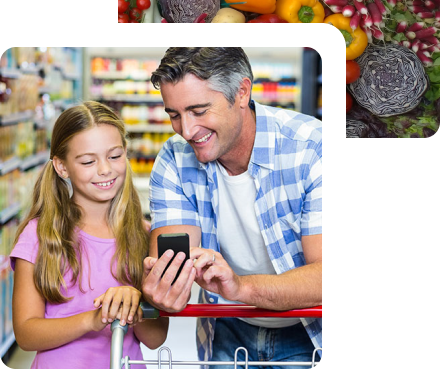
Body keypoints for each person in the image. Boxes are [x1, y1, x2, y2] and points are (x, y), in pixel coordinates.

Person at [142, 47, 322, 368]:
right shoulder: (174, 159)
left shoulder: (311, 149)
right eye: (174, 114)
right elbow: (173, 264)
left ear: (241, 92)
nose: (186, 130)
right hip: (226, 328)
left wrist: (239, 287)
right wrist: (162, 288)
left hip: (310, 333)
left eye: (199, 110)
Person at [9, 101, 188, 369]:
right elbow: (26, 334)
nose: (105, 169)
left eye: (115, 156)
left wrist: (135, 303)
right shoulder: (40, 235)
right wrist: (93, 319)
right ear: (61, 167)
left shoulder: (142, 235)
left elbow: (155, 339)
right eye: (88, 161)